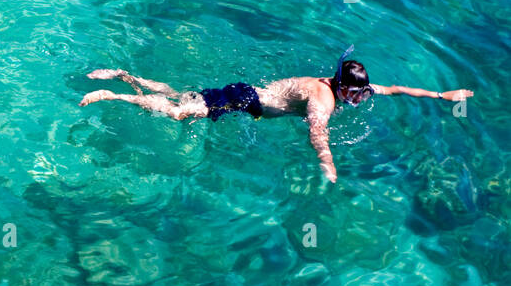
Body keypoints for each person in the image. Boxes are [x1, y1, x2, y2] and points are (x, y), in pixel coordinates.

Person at [79, 46, 474, 182]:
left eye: (362, 92)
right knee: (177, 114)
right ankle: (115, 95)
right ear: (342, 87)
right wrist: (327, 163)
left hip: (244, 92)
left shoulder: (336, 83)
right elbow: (316, 132)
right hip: (243, 102)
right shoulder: (323, 99)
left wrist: (442, 94)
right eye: (356, 93)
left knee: (179, 95)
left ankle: (124, 74)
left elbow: (397, 88)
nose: (361, 98)